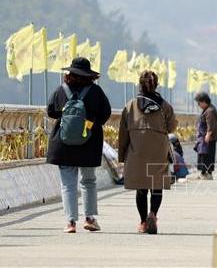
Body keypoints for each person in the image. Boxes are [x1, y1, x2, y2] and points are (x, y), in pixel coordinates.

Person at [46, 57, 112, 233]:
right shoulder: (96, 91)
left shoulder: (61, 90)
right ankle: (89, 219)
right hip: (88, 143)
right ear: (89, 75)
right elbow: (106, 113)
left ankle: (70, 223)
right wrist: (91, 123)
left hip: (63, 144)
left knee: (68, 184)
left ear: (70, 73)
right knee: (89, 181)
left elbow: (50, 111)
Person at [118, 70, 178, 234]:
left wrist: (122, 154)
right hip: (158, 149)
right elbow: (172, 127)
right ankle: (153, 214)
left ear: (140, 85)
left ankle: (143, 222)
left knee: (141, 188)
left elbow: (123, 133)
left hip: (137, 149)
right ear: (156, 85)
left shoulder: (130, 105)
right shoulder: (164, 106)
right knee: (156, 186)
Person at [194, 92, 217, 180]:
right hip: (204, 138)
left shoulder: (210, 110)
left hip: (208, 138)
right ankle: (203, 173)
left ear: (204, 101)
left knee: (207, 156)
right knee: (204, 156)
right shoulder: (207, 109)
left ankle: (207, 174)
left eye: (199, 103)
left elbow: (210, 124)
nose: (199, 105)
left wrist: (208, 135)